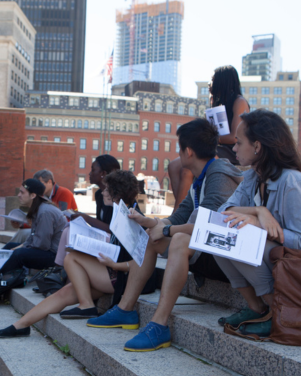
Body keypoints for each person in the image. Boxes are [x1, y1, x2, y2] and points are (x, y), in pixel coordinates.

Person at [86, 118, 243, 352]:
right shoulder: (202, 177)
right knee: (152, 235)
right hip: (207, 250)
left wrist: (167, 229)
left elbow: (208, 226)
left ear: (188, 151)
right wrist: (149, 222)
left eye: (179, 149)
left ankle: (159, 325)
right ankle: (125, 309)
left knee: (177, 238)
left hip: (228, 258)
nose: (177, 156)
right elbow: (180, 217)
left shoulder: (218, 175)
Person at [0, 170, 140, 337]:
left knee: (72, 257)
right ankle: (21, 325)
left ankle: (86, 306)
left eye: (107, 189)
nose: (103, 192)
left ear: (116, 193)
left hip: (120, 276)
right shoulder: (120, 213)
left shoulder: (132, 217)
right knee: (64, 292)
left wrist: (113, 264)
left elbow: (140, 263)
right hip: (110, 272)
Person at [213, 110, 301, 337]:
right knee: (216, 232)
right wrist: (257, 211)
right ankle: (257, 307)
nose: (234, 149)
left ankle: (277, 312)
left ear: (257, 146)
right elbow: (224, 212)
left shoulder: (291, 181)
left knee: (243, 235)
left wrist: (261, 228)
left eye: (239, 143)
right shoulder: (253, 176)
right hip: (273, 261)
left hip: (292, 267)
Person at [169, 65, 250, 210]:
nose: (209, 84)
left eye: (212, 80)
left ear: (222, 81)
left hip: (232, 151)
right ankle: (184, 209)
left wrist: (212, 138)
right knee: (174, 166)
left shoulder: (239, 102)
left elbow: (233, 137)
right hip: (216, 147)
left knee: (188, 169)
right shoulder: (218, 102)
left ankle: (178, 215)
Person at [0, 178, 67, 280]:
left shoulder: (45, 212)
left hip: (55, 257)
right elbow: (33, 237)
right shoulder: (39, 208)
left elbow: (42, 245)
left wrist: (22, 247)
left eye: (22, 192)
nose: (19, 195)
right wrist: (22, 246)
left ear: (33, 195)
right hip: (48, 252)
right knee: (10, 246)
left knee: (19, 254)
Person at [53, 155, 121, 267]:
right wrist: (81, 220)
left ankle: (68, 274)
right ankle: (60, 270)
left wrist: (87, 218)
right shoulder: (99, 194)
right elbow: (99, 223)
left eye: (93, 169)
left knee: (71, 234)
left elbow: (115, 230)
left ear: (103, 173)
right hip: (103, 236)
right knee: (68, 229)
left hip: (114, 242)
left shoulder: (117, 196)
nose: (89, 173)